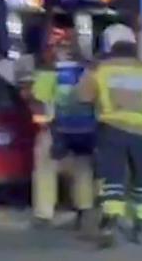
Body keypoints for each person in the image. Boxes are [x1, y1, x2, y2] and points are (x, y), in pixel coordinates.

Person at [75, 24, 142, 247]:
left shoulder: (99, 69)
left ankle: (111, 219)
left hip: (111, 129)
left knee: (112, 176)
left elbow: (83, 96)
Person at [29, 23, 96, 230]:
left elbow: (39, 100)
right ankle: (84, 208)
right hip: (84, 128)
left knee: (45, 167)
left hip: (55, 128)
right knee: (83, 168)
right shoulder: (87, 71)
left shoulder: (49, 71)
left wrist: (41, 122)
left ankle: (44, 213)